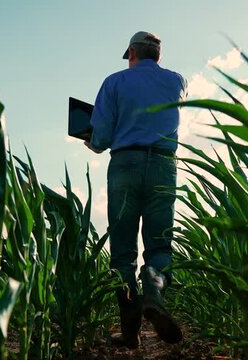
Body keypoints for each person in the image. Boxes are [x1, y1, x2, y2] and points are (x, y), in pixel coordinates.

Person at [84, 31, 187, 348]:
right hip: (163, 166)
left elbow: (101, 136)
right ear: (158, 55)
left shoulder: (114, 82)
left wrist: (91, 140)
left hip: (125, 164)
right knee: (159, 244)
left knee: (124, 252)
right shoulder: (176, 81)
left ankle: (130, 333)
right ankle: (154, 290)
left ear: (131, 52)